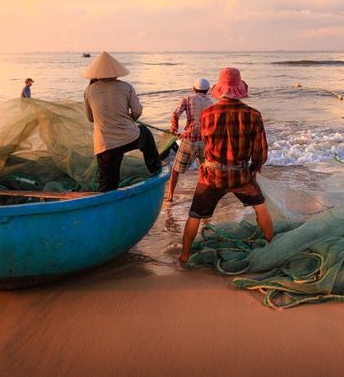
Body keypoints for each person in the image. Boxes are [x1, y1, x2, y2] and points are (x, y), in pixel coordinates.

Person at [179, 67, 273, 266]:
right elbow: (260, 151)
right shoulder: (253, 115)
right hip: (240, 174)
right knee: (261, 207)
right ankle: (272, 246)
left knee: (194, 215)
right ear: (240, 89)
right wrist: (253, 170)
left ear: (219, 89)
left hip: (211, 175)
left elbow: (205, 141)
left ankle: (184, 256)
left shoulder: (207, 114)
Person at [82, 52, 162, 192]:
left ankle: (106, 206)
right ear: (115, 72)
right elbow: (137, 111)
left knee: (107, 183)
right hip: (129, 138)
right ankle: (155, 169)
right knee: (145, 133)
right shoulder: (126, 87)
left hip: (105, 144)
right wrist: (129, 118)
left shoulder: (89, 91)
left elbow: (90, 118)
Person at [166, 77, 214, 201]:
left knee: (176, 169)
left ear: (194, 89)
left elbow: (175, 114)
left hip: (189, 140)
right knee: (204, 171)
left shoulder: (187, 99)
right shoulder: (210, 103)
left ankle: (170, 196)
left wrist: (174, 129)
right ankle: (205, 195)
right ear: (208, 90)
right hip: (204, 142)